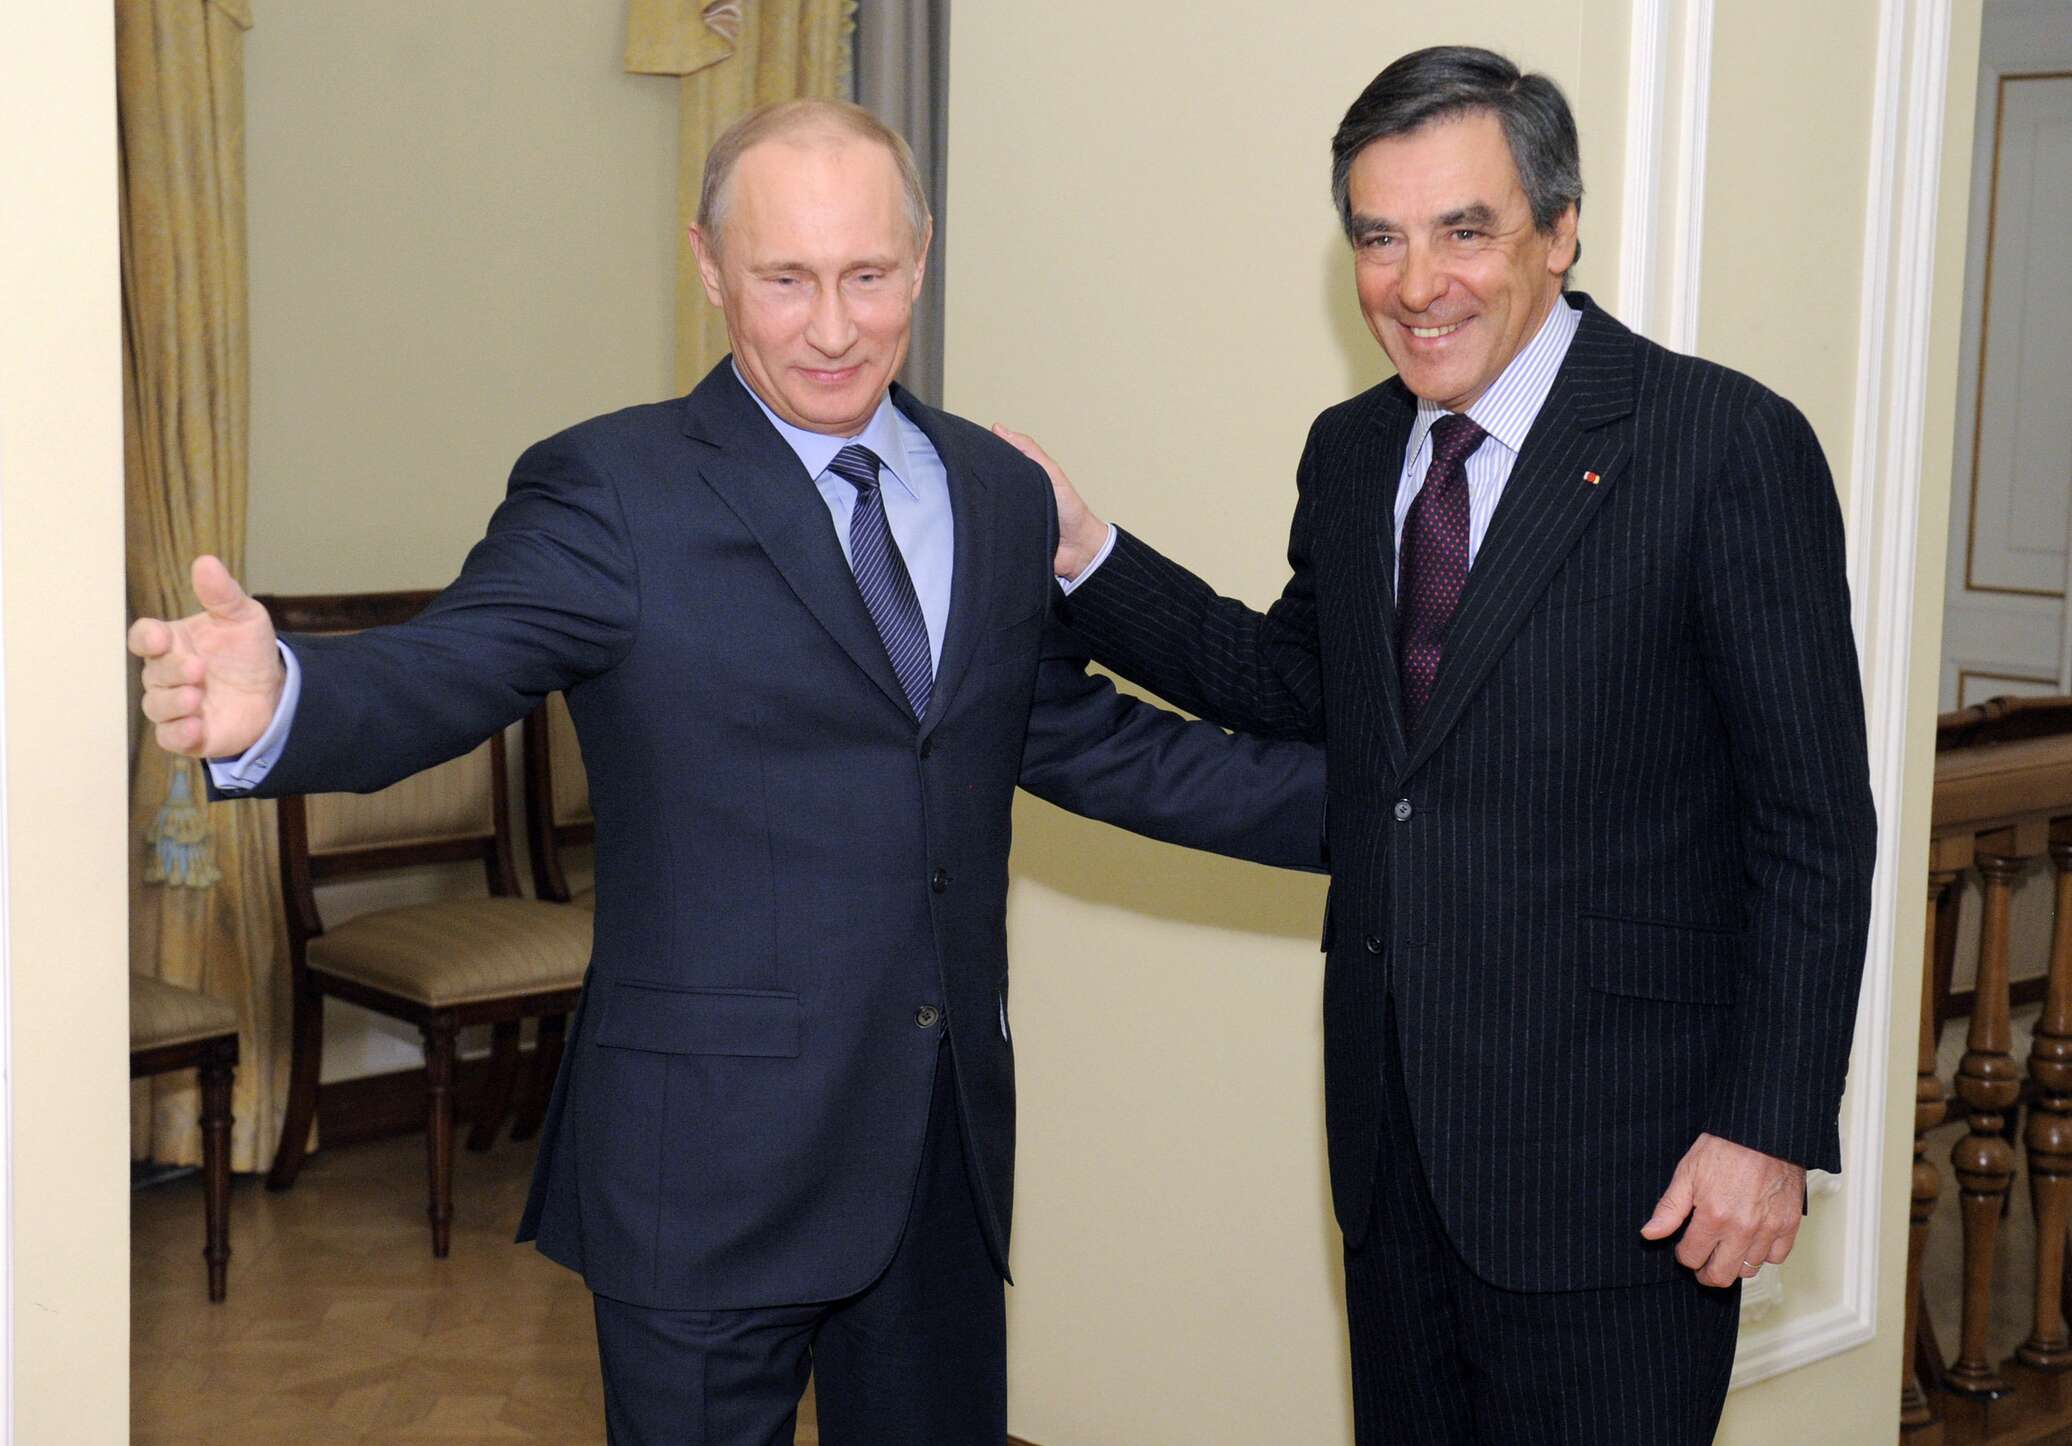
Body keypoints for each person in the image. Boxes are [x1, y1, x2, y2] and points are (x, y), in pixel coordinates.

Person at [128, 99, 1324, 1445]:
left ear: (922, 258)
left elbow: (1085, 738)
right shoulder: (613, 489)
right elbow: (452, 667)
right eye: (786, 279)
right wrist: (289, 697)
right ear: (708, 266)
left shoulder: (996, 491)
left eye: (868, 276)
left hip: (936, 1156)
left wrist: (1404, 816)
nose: (834, 328)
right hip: (703, 1166)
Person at [1006, 45, 1877, 1444]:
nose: (1418, 286)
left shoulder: (1721, 445)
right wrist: (1084, 550)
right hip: (1394, 1149)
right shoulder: (1354, 451)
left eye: (1465, 231)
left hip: (1629, 1174)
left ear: (1560, 228)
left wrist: (1766, 1128)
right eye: (1380, 239)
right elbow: (1293, 682)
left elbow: (1814, 827)